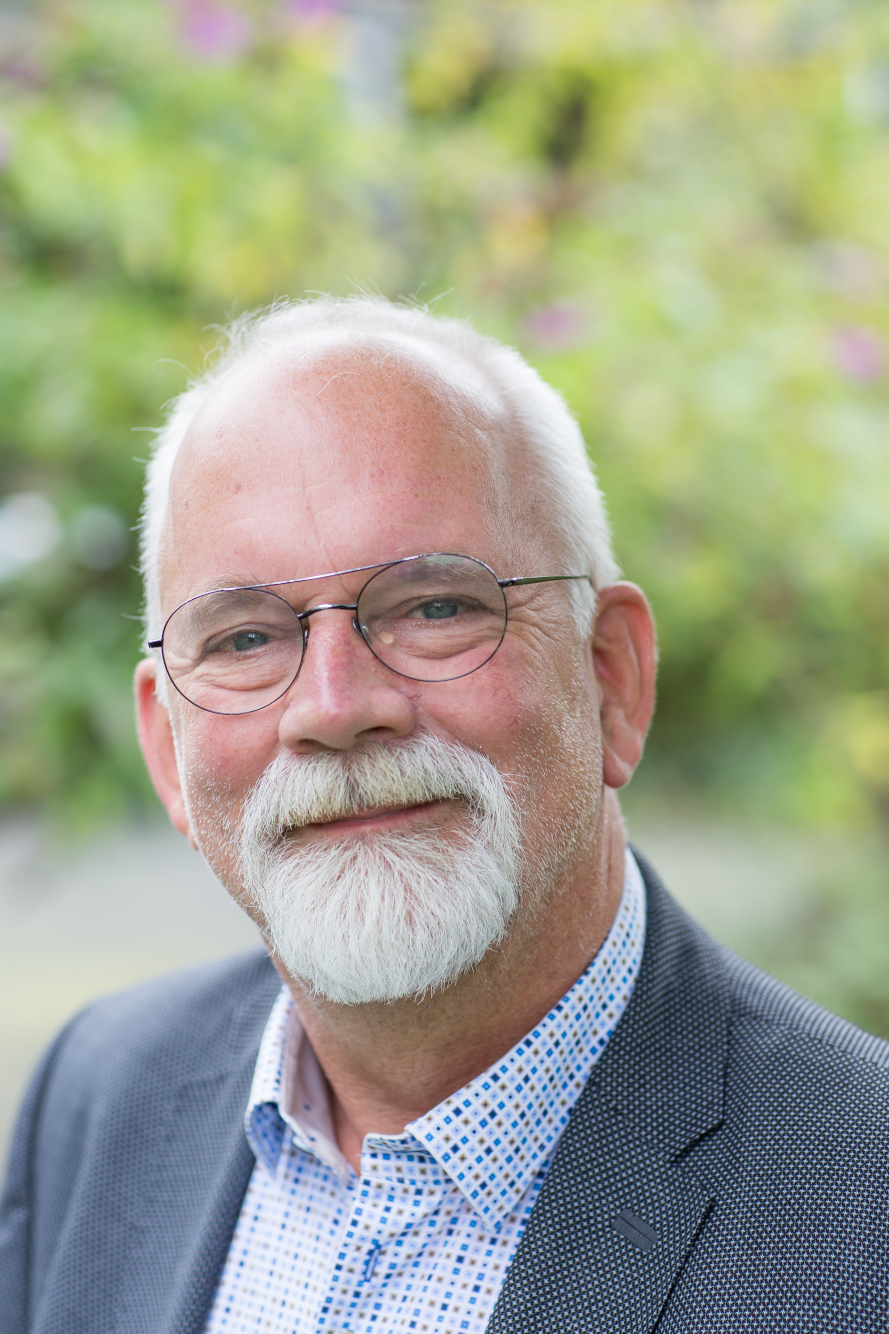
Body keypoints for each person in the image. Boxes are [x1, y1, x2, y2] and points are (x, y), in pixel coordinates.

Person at [1, 296, 886, 1334]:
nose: (333, 707)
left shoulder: (860, 1207)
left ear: (610, 679)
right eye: (244, 638)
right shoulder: (100, 1094)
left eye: (433, 607)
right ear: (166, 751)